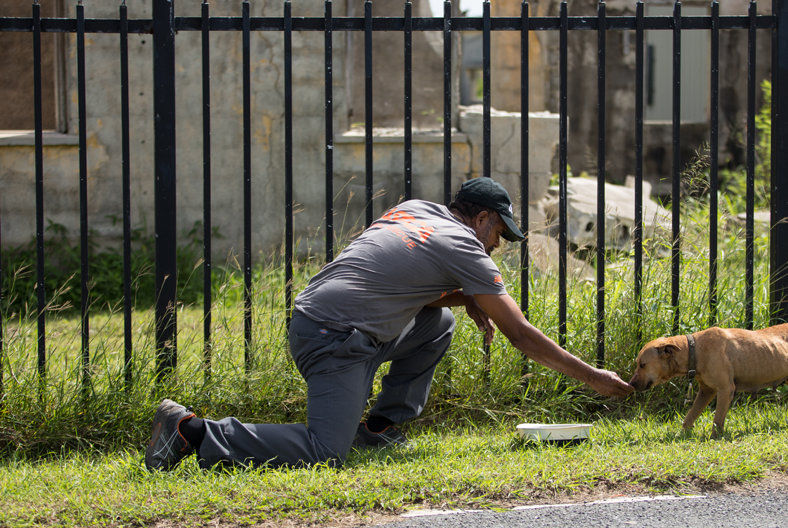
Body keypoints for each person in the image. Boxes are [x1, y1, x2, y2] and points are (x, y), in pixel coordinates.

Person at [145, 177, 633, 470]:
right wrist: (595, 378)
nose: (498, 246)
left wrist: (463, 297)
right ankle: (192, 431)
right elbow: (521, 335)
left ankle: (378, 427)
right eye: (499, 234)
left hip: (319, 319)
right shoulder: (464, 245)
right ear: (482, 219)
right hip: (334, 339)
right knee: (324, 452)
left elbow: (397, 279)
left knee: (438, 321)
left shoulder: (415, 209)